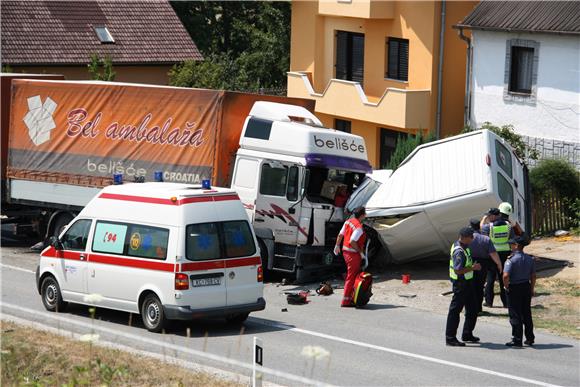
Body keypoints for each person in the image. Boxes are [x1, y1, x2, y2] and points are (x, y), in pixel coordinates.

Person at [445, 227, 482, 346]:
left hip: (468, 283)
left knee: (473, 309)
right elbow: (457, 270)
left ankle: (467, 334)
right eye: (471, 237)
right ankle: (450, 338)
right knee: (455, 311)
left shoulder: (464, 247)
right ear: (464, 238)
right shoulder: (459, 251)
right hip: (461, 284)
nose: (472, 239)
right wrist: (473, 268)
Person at [503, 234, 536, 347]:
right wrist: (531, 289)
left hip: (514, 288)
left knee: (515, 314)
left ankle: (517, 339)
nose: (510, 246)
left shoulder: (511, 260)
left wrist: (506, 287)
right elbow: (533, 276)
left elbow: (506, 276)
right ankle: (530, 338)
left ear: (516, 246)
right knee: (526, 313)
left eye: (511, 244)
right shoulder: (529, 259)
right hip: (526, 286)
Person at [334, 206, 367, 307]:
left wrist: (337, 245)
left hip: (345, 252)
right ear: (362, 215)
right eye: (365, 214)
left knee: (352, 275)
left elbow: (340, 235)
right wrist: (361, 253)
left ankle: (352, 297)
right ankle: (346, 301)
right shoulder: (359, 227)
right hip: (353, 254)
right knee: (351, 277)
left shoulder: (348, 221)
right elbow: (352, 241)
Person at [469, 219, 502, 313]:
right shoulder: (485, 239)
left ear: (471, 227)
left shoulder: (467, 238)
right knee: (480, 287)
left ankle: (471, 308)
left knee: (471, 287)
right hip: (482, 264)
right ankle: (478, 308)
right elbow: (493, 253)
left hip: (470, 263)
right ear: (479, 226)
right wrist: (499, 263)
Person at [485, 203, 515, 308]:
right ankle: (506, 302)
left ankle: (489, 302)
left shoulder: (489, 227)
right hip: (505, 254)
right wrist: (513, 253)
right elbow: (512, 241)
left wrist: (484, 220)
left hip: (493, 255)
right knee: (503, 278)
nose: (488, 217)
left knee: (490, 279)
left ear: (495, 216)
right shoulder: (508, 226)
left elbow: (482, 233)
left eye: (489, 216)